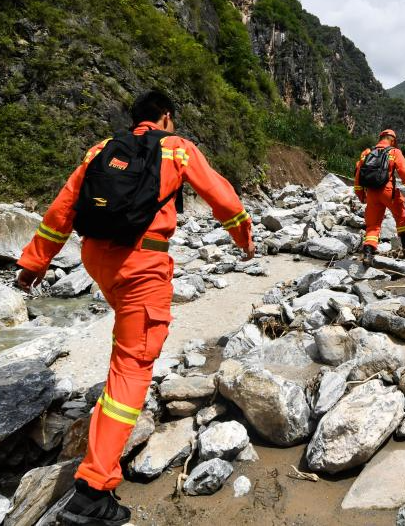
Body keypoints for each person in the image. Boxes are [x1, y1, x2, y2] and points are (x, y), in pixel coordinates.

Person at [15, 90, 254, 526]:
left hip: (96, 257)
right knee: (133, 365)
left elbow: (62, 208)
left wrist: (33, 263)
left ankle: (104, 426)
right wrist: (244, 239)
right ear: (166, 117)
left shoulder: (101, 149)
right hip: (141, 262)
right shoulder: (176, 149)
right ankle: (93, 489)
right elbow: (222, 196)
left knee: (128, 338)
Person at [354, 128, 405, 265]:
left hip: (372, 194)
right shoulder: (394, 152)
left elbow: (358, 175)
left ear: (380, 138)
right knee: (401, 217)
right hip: (388, 192)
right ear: (393, 140)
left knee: (373, 225)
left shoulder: (367, 153)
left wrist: (361, 194)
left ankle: (367, 253)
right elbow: (404, 172)